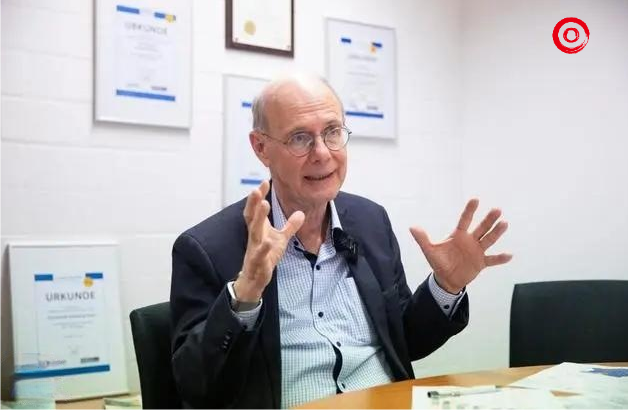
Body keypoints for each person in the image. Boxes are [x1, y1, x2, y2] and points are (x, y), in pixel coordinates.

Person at [170, 74, 512, 410]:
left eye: (333, 132)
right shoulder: (207, 248)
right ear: (261, 147)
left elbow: (404, 340)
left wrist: (446, 287)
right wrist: (246, 292)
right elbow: (198, 388)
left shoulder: (370, 221)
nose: (322, 153)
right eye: (300, 138)